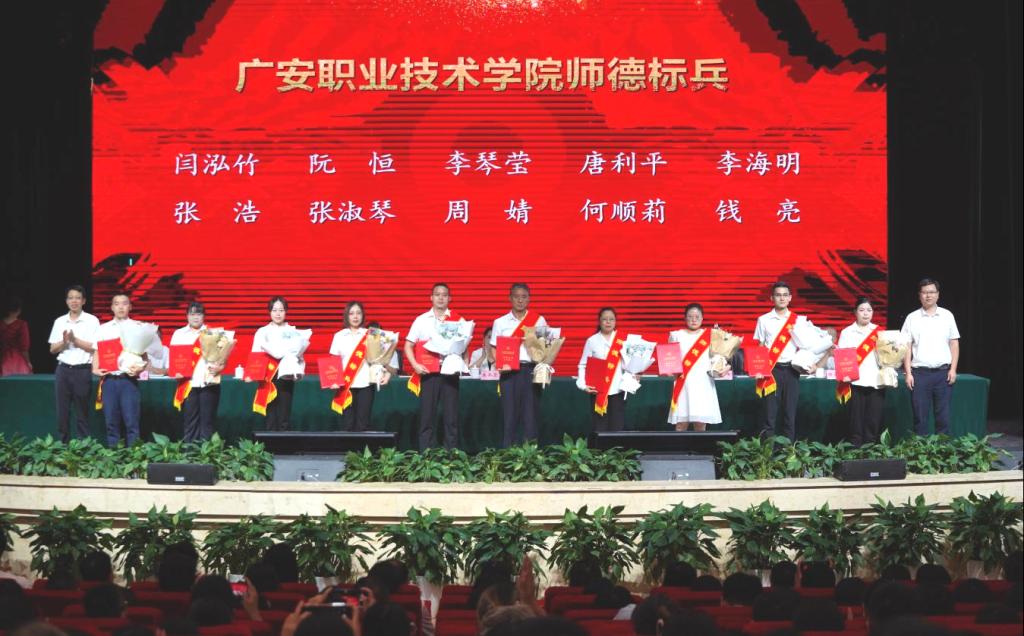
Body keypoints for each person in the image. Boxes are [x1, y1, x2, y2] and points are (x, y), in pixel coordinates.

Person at [92, 292, 163, 446]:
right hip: (109, 380)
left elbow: (144, 357)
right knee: (111, 422)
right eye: (117, 304)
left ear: (130, 307)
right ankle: (114, 456)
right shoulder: (103, 329)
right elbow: (96, 351)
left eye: (124, 303)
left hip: (128, 380)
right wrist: (95, 369)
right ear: (112, 307)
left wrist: (139, 369)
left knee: (132, 422)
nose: (121, 307)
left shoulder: (139, 327)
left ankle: (133, 457)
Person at [404, 283, 462, 449]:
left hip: (450, 373)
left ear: (450, 298)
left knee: (451, 418)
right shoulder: (421, 320)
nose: (441, 298)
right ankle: (426, 455)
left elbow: (464, 345)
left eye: (444, 295)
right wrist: (415, 365)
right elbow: (408, 345)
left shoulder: (458, 320)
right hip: (428, 373)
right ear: (431, 297)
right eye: (437, 294)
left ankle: (451, 455)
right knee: (427, 417)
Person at [901, 278, 960, 435]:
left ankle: (942, 449)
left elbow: (954, 343)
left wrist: (953, 369)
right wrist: (908, 373)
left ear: (938, 294)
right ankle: (921, 450)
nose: (928, 295)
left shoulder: (947, 315)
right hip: (919, 374)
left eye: (932, 292)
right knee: (920, 417)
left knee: (943, 418)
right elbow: (906, 347)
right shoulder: (912, 318)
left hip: (943, 373)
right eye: (925, 292)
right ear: (919, 295)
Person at [491, 283, 547, 447]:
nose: (520, 300)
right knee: (509, 415)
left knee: (531, 416)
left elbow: (545, 346)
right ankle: (509, 454)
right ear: (510, 298)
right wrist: (499, 364)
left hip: (531, 370)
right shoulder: (500, 322)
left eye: (524, 297)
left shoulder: (539, 320)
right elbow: (493, 347)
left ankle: (531, 455)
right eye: (516, 297)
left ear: (529, 299)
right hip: (509, 373)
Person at [48, 285, 99, 442]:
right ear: (66, 301)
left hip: (82, 370)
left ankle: (83, 447)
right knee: (62, 412)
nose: (74, 301)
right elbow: (52, 349)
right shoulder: (60, 321)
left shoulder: (92, 320)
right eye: (70, 298)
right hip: (63, 370)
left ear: (84, 301)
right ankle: (63, 446)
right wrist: (64, 342)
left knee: (82, 412)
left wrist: (75, 340)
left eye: (77, 298)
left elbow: (94, 347)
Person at [250, 296, 309, 431]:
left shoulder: (293, 332)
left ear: (286, 311)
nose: (278, 313)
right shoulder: (262, 332)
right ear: (269, 312)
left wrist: (299, 370)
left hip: (286, 375)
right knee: (270, 414)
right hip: (268, 376)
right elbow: (256, 355)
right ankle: (270, 443)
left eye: (281, 310)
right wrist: (252, 374)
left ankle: (285, 442)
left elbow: (299, 355)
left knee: (284, 413)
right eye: (275, 310)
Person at [753, 281, 801, 441]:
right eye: (778, 295)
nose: (782, 298)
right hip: (771, 371)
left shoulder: (798, 320)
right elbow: (760, 346)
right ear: (771, 298)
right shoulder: (763, 320)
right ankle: (768, 453)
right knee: (769, 415)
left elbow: (805, 346)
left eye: (785, 295)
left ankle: (789, 452)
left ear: (790, 298)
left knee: (790, 415)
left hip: (792, 371)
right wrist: (758, 369)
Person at [170, 302, 224, 442]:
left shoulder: (213, 333)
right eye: (192, 314)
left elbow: (223, 358)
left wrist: (220, 367)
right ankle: (189, 453)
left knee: (207, 423)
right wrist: (175, 372)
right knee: (190, 423)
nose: (195, 317)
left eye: (199, 314)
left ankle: (206, 454)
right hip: (188, 384)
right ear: (187, 316)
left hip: (209, 382)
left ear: (204, 316)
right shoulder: (179, 334)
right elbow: (174, 358)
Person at [666, 303, 723, 432]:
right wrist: (669, 369)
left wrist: (722, 367)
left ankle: (699, 446)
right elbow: (670, 357)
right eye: (690, 317)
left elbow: (717, 358)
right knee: (681, 424)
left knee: (700, 424)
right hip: (683, 382)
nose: (693, 320)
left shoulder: (710, 335)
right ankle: (679, 446)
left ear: (702, 318)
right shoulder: (676, 335)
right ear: (685, 318)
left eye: (697, 317)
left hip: (703, 382)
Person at [837, 297, 886, 445]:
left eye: (869, 310)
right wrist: (844, 374)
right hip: (855, 383)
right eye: (862, 310)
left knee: (873, 421)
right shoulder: (847, 332)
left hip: (876, 382)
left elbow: (888, 356)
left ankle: (870, 450)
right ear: (855, 312)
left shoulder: (880, 332)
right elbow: (842, 357)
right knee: (855, 423)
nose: (866, 313)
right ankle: (855, 451)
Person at [576, 308, 630, 432]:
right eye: (605, 319)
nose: (608, 322)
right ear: (599, 321)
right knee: (599, 427)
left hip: (618, 390)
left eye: (611, 319)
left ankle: (616, 446)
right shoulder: (592, 341)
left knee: (617, 426)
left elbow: (629, 364)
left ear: (615, 322)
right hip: (598, 391)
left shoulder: (623, 340)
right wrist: (583, 385)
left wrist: (635, 374)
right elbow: (583, 365)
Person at [329, 301, 375, 431]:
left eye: (358, 313)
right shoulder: (339, 336)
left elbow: (379, 358)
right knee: (347, 424)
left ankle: (362, 446)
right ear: (346, 316)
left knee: (363, 424)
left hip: (365, 383)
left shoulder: (371, 334)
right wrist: (333, 380)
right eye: (352, 313)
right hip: (345, 385)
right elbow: (334, 360)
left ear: (363, 315)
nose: (355, 316)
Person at [1, 297, 32, 376]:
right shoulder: (21, 325)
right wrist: (28, 362)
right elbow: (24, 346)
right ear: (19, 310)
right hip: (17, 360)